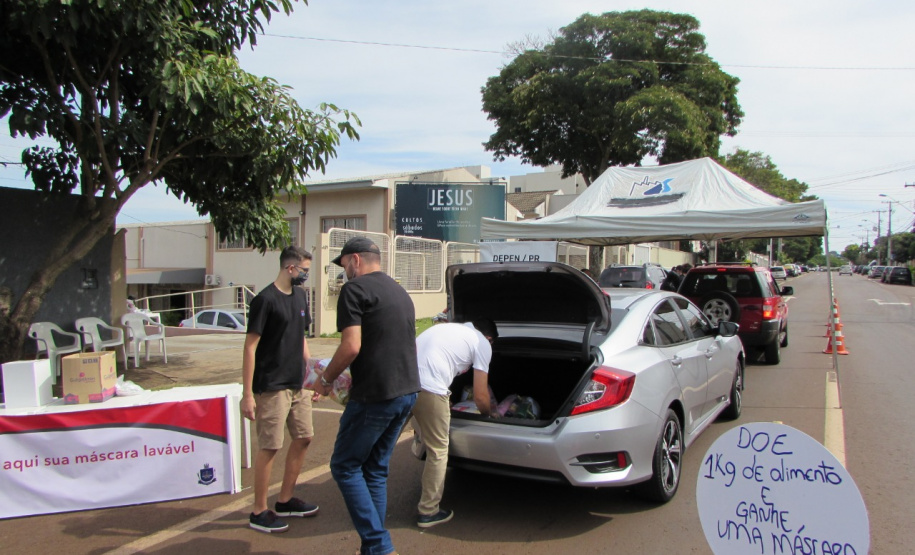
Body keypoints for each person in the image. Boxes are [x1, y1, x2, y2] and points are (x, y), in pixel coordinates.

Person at [315, 236, 420, 555]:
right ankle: (373, 546)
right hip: (407, 393)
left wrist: (325, 379)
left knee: (345, 466)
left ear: (355, 260)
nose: (343, 271)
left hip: (376, 395)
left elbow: (351, 346)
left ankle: (379, 546)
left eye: (344, 264)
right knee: (374, 468)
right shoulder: (399, 291)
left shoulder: (354, 290)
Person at [241, 245, 318, 533]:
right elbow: (250, 347)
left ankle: (285, 499)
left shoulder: (300, 296)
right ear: (290, 268)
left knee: (305, 437)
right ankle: (259, 510)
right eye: (304, 270)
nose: (306, 276)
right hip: (271, 386)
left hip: (298, 383)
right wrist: (248, 394)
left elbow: (302, 340)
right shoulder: (265, 300)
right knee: (270, 446)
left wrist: (312, 377)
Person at [412, 319, 498, 528]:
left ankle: (367, 495)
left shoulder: (445, 328)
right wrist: (490, 414)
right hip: (429, 389)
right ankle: (428, 511)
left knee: (385, 443)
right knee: (438, 450)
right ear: (490, 338)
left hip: (402, 382)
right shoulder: (482, 343)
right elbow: (480, 396)